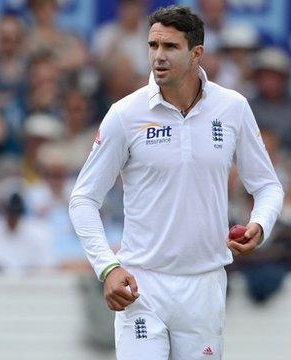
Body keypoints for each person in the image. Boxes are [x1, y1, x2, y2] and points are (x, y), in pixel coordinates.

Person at [69, 6, 284, 359]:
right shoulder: (125, 114)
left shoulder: (232, 108)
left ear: (196, 53)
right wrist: (107, 266)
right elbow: (83, 199)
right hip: (142, 285)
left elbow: (268, 186)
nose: (158, 56)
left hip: (205, 285)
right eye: (153, 45)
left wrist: (260, 225)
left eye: (170, 47)